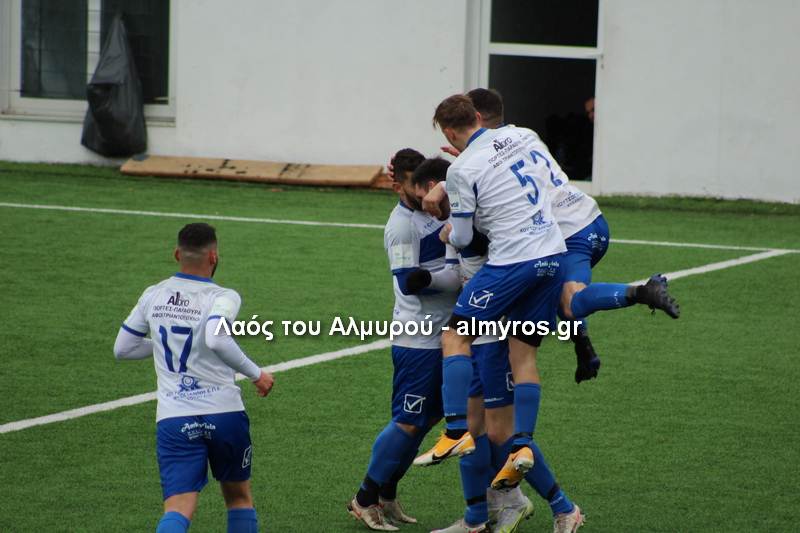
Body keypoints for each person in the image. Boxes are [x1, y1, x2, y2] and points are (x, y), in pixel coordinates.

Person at [426, 88, 679, 384]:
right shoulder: (522, 135)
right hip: (591, 218)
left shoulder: (481, 157)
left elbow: (482, 182)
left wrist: (447, 181)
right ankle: (584, 347)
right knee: (562, 294)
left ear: (474, 121)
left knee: (570, 301)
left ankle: (641, 292)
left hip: (564, 231)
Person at [426, 94, 583, 530]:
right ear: (479, 117)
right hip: (551, 256)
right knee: (494, 420)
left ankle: (454, 433)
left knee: (455, 342)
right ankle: (482, 514)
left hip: (507, 278)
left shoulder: (462, 171)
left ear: (448, 133)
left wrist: (447, 222)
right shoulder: (520, 135)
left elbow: (461, 237)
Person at [113, 222, 274, 533]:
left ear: (177, 254)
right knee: (239, 499)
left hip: (175, 417)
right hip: (225, 413)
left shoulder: (153, 295)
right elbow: (216, 338)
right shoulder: (223, 296)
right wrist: (256, 374)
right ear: (213, 256)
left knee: (178, 509)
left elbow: (123, 349)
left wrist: (166, 344)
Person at [347, 148, 461, 532]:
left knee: (428, 419)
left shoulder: (432, 210)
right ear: (399, 186)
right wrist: (460, 279)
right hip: (419, 339)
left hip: (446, 334)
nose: (426, 193)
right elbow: (408, 283)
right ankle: (364, 499)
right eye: (417, 186)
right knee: (408, 420)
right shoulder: (401, 226)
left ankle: (387, 493)